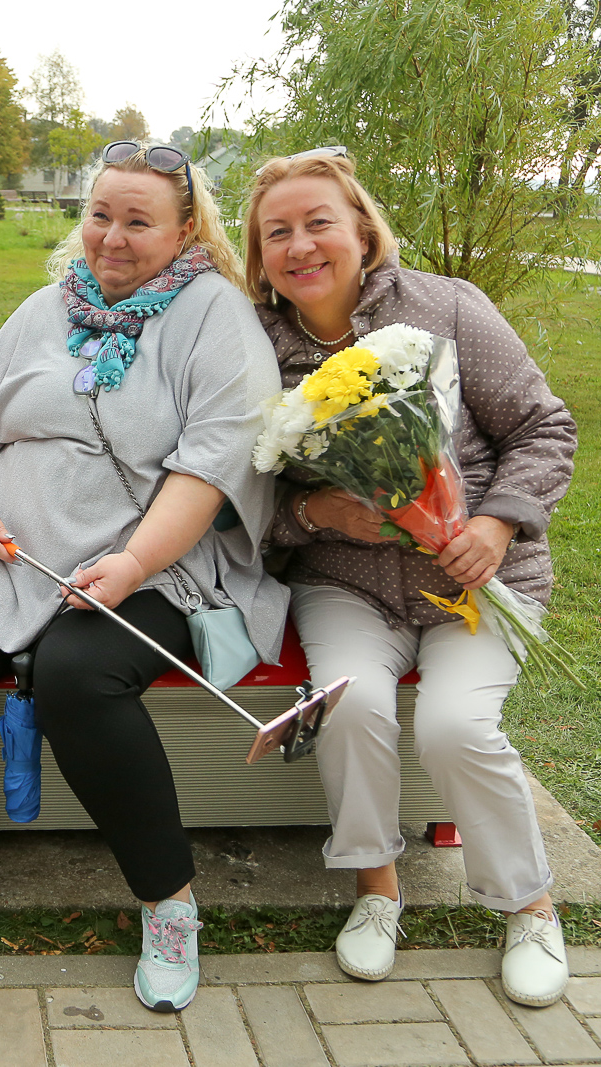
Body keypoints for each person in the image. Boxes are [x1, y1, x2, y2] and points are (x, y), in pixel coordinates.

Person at [0, 141, 287, 1013]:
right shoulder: (46, 306)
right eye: (101, 214)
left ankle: (169, 903)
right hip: (9, 550)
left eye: (139, 221)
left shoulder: (216, 317)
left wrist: (135, 561)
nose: (111, 237)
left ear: (187, 230)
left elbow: (212, 465)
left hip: (155, 559)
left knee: (78, 674)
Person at [244, 149, 578, 1006]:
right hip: (345, 583)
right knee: (350, 704)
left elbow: (543, 428)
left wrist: (496, 524)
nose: (300, 245)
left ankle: (529, 905)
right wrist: (315, 513)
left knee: (455, 725)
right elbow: (233, 501)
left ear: (362, 231)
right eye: (277, 232)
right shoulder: (253, 347)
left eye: (319, 222)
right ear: (260, 256)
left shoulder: (448, 306)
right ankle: (376, 889)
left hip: (476, 577)